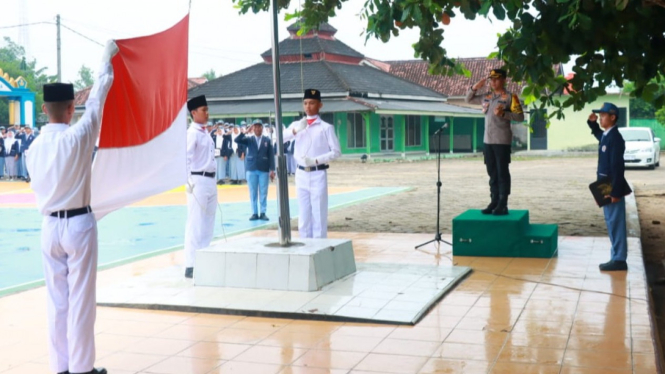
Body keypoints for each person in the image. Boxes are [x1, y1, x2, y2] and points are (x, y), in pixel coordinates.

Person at [25, 40, 116, 374]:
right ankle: (81, 368)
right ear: (69, 109)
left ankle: (59, 367)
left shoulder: (33, 149)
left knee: (57, 301)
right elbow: (98, 100)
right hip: (78, 224)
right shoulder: (78, 137)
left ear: (46, 110)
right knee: (80, 300)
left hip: (49, 226)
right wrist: (105, 58)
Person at [283, 89, 341, 238]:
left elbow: (336, 152)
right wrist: (295, 131)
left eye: (312, 103)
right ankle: (305, 247)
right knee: (303, 215)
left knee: (318, 215)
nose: (308, 106)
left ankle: (319, 248)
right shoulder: (298, 124)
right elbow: (279, 138)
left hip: (317, 173)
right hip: (301, 173)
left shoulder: (326, 127)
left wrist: (316, 160)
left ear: (320, 105)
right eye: (305, 103)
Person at [465, 68, 524, 215]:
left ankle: (503, 203)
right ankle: (494, 200)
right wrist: (475, 87)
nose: (493, 82)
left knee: (502, 172)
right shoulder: (487, 96)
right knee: (491, 171)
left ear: (504, 80)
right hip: (488, 140)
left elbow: (520, 117)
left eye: (497, 79)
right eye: (491, 79)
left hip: (502, 140)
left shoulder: (511, 97)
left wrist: (504, 113)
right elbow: (468, 99)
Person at [587, 103, 632, 271]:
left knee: (616, 221)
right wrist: (592, 125)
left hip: (611, 185)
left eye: (603, 115)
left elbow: (618, 167)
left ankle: (619, 259)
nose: (600, 117)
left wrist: (615, 191)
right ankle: (616, 256)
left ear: (613, 117)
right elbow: (600, 136)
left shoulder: (616, 138)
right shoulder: (607, 135)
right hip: (604, 184)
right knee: (611, 221)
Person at [184, 95, 218, 279]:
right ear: (194, 112)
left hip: (210, 180)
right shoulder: (192, 133)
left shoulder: (205, 132)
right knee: (196, 223)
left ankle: (202, 260)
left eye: (207, 109)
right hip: (197, 180)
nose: (207, 113)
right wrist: (187, 180)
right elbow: (185, 160)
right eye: (203, 110)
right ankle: (190, 264)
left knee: (207, 224)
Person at [234, 120, 275, 221]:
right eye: (255, 127)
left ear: (262, 128)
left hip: (263, 169)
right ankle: (254, 213)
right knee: (252, 192)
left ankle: (263, 212)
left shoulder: (267, 140)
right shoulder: (249, 139)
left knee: (263, 192)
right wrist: (245, 131)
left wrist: (272, 170)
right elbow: (237, 140)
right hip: (251, 168)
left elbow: (271, 156)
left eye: (259, 127)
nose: (257, 129)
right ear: (253, 128)